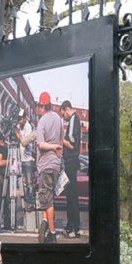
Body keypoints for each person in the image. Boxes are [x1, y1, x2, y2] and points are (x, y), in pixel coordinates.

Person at [35, 92, 63, 243]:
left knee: (47, 200)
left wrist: (51, 147)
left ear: (42, 106)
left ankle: (52, 235)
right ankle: (46, 222)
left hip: (46, 164)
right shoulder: (58, 119)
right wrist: (57, 149)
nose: (38, 109)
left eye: (39, 106)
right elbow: (61, 139)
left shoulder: (42, 122)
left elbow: (41, 144)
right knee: (49, 197)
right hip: (56, 164)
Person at [60, 100, 82, 238]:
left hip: (71, 161)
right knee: (73, 195)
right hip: (73, 161)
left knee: (71, 196)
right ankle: (75, 226)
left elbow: (72, 144)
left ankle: (71, 228)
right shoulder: (76, 120)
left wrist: (61, 139)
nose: (63, 117)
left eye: (63, 114)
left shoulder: (74, 119)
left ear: (67, 109)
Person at [14, 111, 37, 212]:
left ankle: (30, 203)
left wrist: (19, 136)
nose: (19, 122)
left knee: (29, 183)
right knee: (24, 183)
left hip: (28, 160)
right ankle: (26, 203)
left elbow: (25, 142)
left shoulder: (28, 127)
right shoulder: (19, 127)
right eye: (18, 119)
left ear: (24, 118)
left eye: (20, 119)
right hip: (21, 159)